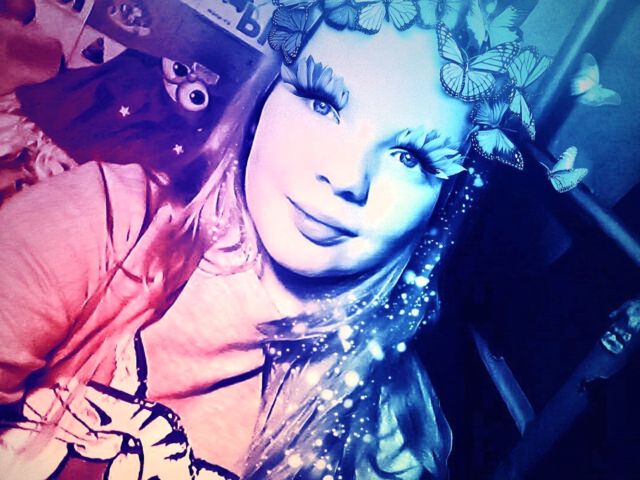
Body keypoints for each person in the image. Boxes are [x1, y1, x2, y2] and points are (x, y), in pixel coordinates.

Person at [0, 1, 540, 478]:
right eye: (322, 101)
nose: (348, 176)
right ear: (262, 104)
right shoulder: (101, 222)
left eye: (411, 157)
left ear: (441, 207)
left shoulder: (384, 443)